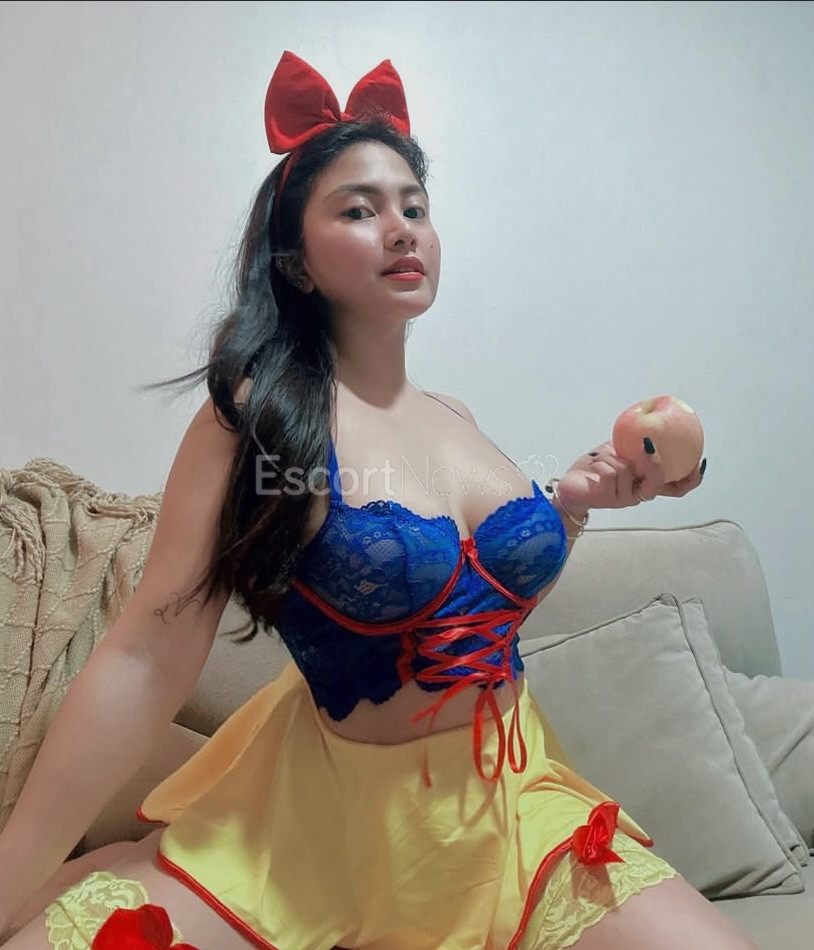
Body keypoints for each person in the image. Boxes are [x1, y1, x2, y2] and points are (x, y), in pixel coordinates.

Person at [0, 51, 753, 950]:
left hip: (511, 816)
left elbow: (479, 603)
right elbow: (144, 654)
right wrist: (14, 876)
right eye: (359, 210)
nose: (401, 229)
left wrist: (575, 503)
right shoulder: (258, 421)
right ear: (297, 263)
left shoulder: (456, 418)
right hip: (312, 833)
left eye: (415, 207)